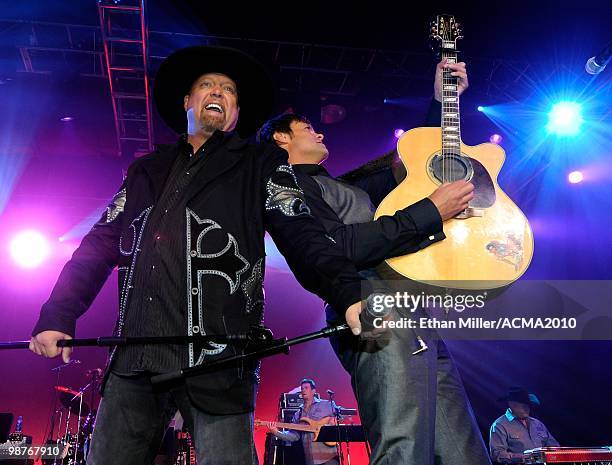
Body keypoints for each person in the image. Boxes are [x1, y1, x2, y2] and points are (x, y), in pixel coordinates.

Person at [28, 45, 367, 465]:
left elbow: (303, 235)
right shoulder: (145, 171)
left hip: (220, 358)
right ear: (187, 102)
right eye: (207, 85)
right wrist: (58, 315)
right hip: (135, 356)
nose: (218, 93)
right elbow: (96, 247)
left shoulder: (260, 164)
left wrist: (347, 292)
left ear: (236, 112)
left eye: (228, 90)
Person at [260, 59, 492, 464]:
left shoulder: (345, 185)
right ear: (281, 137)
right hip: (373, 312)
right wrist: (429, 212)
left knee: (465, 454)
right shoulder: (288, 188)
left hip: (414, 314)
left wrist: (442, 100)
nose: (320, 130)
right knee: (402, 447)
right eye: (307, 127)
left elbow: (420, 164)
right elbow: (336, 246)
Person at [268, 379, 339, 465]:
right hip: (310, 459)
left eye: (306, 388)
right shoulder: (298, 414)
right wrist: (276, 432)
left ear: (313, 391)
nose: (303, 390)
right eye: (302, 388)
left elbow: (342, 414)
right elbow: (294, 436)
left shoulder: (326, 404)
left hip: (328, 456)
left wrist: (333, 420)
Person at [490, 387, 559, 464]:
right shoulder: (499, 425)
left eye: (528, 405)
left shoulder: (537, 423)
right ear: (513, 406)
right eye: (523, 406)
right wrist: (526, 458)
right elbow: (497, 454)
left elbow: (554, 446)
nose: (527, 409)